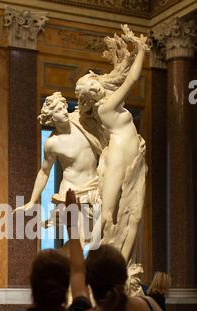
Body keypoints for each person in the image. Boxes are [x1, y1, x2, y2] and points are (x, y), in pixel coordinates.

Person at [75, 25, 148, 262]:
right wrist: (141, 50)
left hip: (134, 155)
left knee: (135, 215)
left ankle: (123, 266)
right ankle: (90, 261)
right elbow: (132, 78)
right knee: (106, 213)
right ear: (90, 96)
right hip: (118, 156)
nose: (95, 87)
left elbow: (120, 77)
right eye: (90, 89)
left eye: (93, 81)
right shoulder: (105, 107)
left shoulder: (108, 102)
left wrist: (127, 55)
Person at [15, 92, 108, 249]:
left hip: (95, 187)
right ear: (51, 117)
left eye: (64, 107)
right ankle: (79, 271)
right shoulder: (53, 143)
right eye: (58, 110)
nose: (64, 111)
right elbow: (44, 171)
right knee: (81, 240)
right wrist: (32, 200)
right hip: (72, 193)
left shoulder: (81, 120)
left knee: (100, 239)